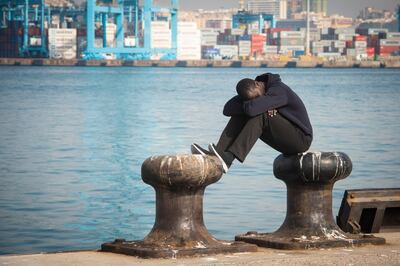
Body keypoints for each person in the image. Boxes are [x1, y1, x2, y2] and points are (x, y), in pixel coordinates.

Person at [191, 72, 313, 173]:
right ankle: (219, 154)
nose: (257, 101)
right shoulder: (253, 90)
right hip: (283, 139)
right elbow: (227, 109)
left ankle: (228, 158)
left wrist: (257, 106)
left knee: (260, 114)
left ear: (258, 84)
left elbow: (253, 109)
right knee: (242, 114)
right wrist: (260, 105)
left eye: (258, 98)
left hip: (300, 140)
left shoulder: (279, 90)